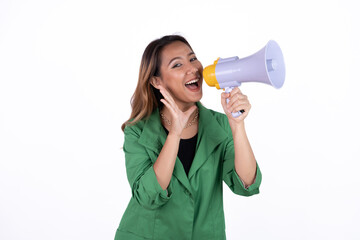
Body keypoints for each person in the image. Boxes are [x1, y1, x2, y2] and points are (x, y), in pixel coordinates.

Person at [115, 35, 262, 240]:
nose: (192, 68)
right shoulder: (138, 131)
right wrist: (175, 134)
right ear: (156, 81)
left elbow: (247, 184)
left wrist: (237, 125)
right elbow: (147, 197)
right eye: (177, 65)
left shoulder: (219, 125)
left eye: (193, 59)